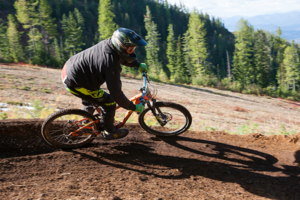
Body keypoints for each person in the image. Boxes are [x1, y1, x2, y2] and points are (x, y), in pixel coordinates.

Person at [61, 27, 148, 140]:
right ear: (121, 46)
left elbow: (119, 57)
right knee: (109, 103)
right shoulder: (111, 65)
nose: (133, 51)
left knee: (92, 99)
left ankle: (87, 121)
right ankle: (109, 132)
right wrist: (133, 107)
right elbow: (116, 94)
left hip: (71, 69)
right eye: (131, 49)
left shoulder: (109, 44)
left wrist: (136, 64)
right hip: (76, 82)